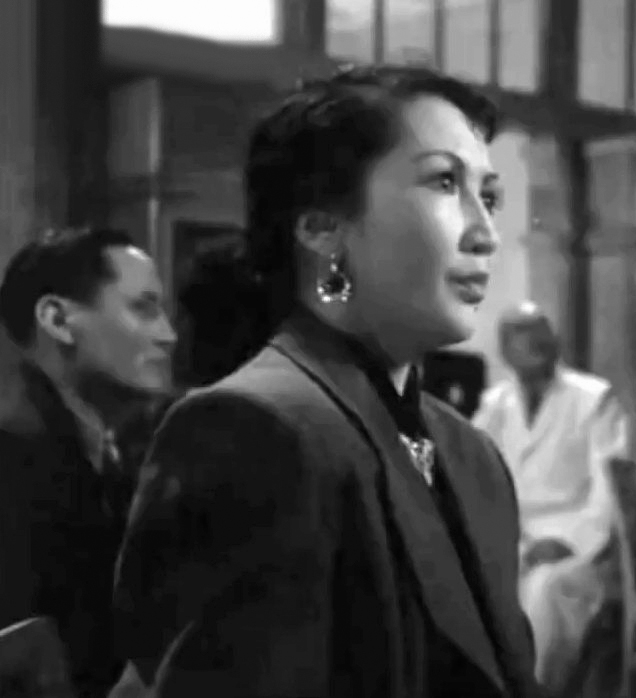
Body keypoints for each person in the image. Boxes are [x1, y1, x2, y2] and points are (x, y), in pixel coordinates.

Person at [113, 65, 538, 698]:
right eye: (445, 182)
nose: (485, 234)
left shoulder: (471, 454)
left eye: (491, 196)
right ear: (321, 226)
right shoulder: (252, 431)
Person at [0, 227, 177, 697]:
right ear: (57, 319)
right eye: (144, 308)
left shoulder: (110, 454)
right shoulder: (15, 463)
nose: (169, 335)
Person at [473, 301, 627, 696]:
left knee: (543, 590)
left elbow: (608, 494)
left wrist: (568, 542)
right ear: (504, 349)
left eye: (541, 330)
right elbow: (475, 479)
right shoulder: (494, 405)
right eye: (521, 333)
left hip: (580, 549)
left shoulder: (594, 399)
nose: (535, 342)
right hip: (515, 540)